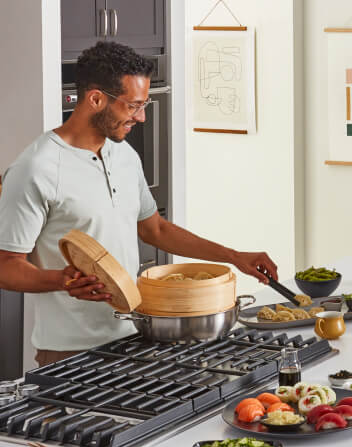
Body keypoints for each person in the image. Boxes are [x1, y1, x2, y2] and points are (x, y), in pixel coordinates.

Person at [0, 41, 277, 367]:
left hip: (136, 337)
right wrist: (62, 280)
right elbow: (6, 266)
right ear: (96, 99)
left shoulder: (124, 154)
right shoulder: (36, 168)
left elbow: (155, 229)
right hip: (70, 353)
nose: (142, 117)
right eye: (133, 106)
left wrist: (233, 257)